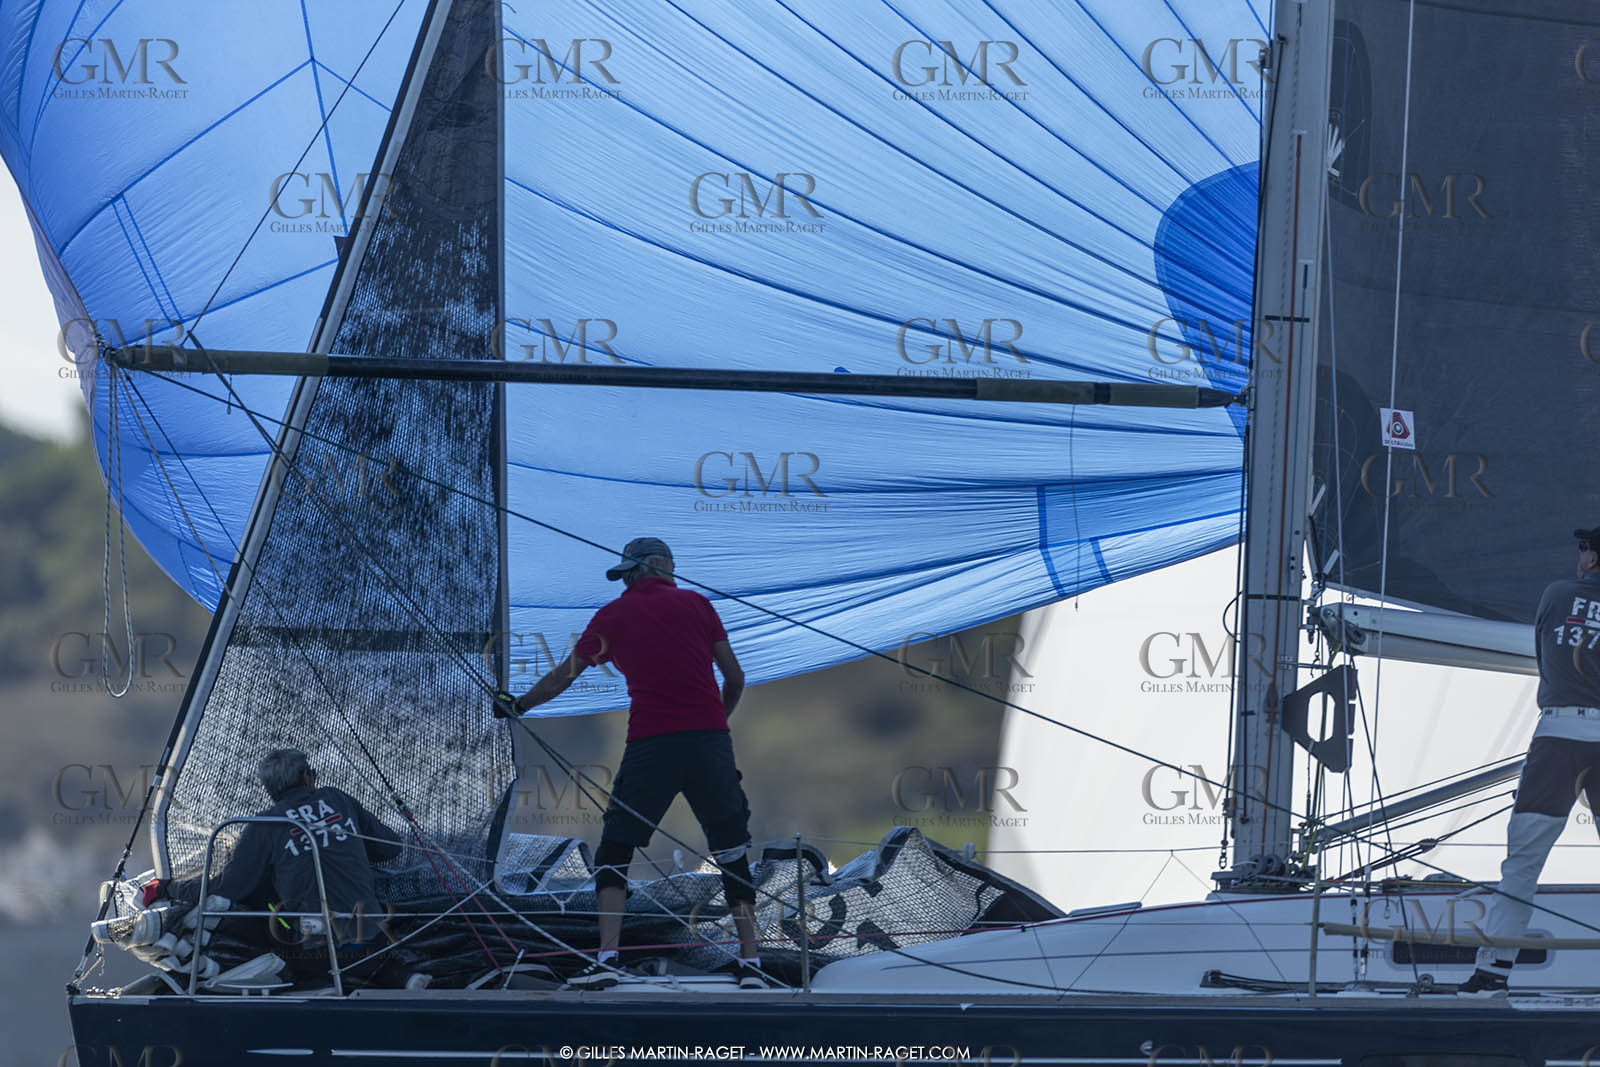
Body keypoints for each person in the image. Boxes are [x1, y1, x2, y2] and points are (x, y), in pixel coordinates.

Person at [498, 536, 769, 990]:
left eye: (625, 575)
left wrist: (518, 705)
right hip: (709, 743)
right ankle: (752, 965)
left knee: (615, 852)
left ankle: (607, 958)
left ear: (635, 571)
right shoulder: (699, 605)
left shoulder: (612, 616)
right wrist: (714, 723)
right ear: (666, 567)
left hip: (652, 744)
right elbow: (736, 677)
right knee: (731, 850)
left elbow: (565, 674)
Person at [1459, 527, 1600, 995]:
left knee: (1523, 860)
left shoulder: (1557, 594)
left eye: (1584, 548)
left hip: (1559, 733)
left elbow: (1545, 658)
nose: (1580, 556)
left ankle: (1491, 972)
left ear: (1593, 558)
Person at [157, 748, 426, 990]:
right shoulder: (337, 799)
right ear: (306, 777)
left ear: (271, 790)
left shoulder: (263, 825)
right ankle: (392, 973)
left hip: (315, 950)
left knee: (258, 896)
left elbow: (229, 888)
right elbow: (390, 847)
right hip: (376, 933)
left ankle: (295, 977)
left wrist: (170, 886)